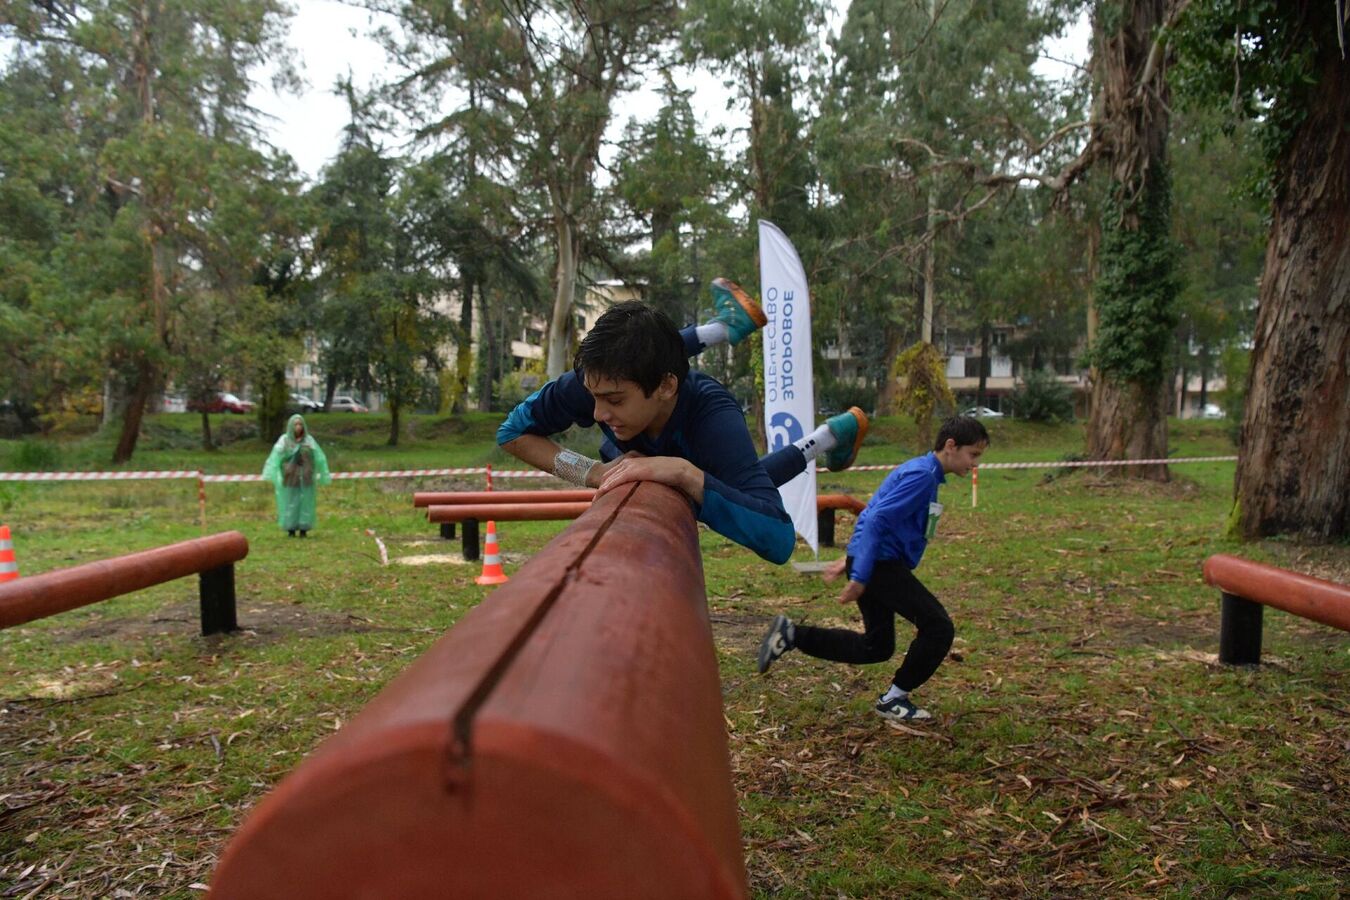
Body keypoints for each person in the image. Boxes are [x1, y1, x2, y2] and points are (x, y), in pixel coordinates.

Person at [496, 282, 868, 565]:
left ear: (666, 387)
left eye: (615, 401)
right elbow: (512, 433)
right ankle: (829, 435)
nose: (597, 414)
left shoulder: (715, 421)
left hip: (697, 442)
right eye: (594, 397)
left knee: (732, 481)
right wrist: (593, 472)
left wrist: (685, 473)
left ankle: (825, 436)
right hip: (660, 429)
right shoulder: (594, 382)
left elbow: (779, 539)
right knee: (731, 484)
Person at [755, 416, 990, 722]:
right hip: (880, 565)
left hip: (874, 561)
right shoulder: (922, 476)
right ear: (951, 445)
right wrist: (860, 573)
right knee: (938, 627)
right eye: (973, 454)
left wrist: (852, 557)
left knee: (876, 646)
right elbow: (877, 519)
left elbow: (873, 513)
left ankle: (791, 634)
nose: (975, 463)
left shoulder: (922, 471)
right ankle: (893, 700)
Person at [262, 413, 332, 537]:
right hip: (290, 477)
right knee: (290, 502)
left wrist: (323, 473)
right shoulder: (284, 440)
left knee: (306, 502)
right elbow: (276, 457)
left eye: (300, 424)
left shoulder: (309, 440)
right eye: (295, 424)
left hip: (306, 476)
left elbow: (319, 457)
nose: (298, 427)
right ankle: (291, 528)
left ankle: (304, 527)